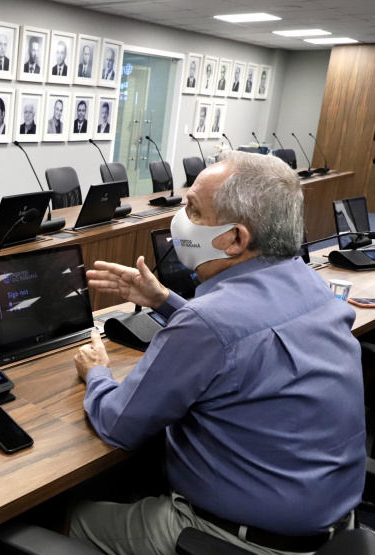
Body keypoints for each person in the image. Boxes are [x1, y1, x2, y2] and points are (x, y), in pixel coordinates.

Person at [69, 151, 363, 555]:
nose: (180, 222)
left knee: (67, 517)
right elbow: (240, 336)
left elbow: (118, 423)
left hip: (235, 540)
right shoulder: (311, 287)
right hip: (333, 528)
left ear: (236, 238)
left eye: (193, 210)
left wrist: (98, 374)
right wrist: (165, 301)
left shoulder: (208, 324)